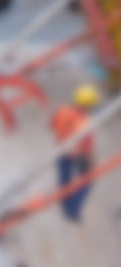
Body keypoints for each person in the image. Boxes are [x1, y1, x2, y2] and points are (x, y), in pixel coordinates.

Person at [50, 83, 99, 222]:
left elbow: (52, 124)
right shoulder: (84, 123)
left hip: (61, 149)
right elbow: (88, 147)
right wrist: (92, 164)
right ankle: (72, 210)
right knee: (87, 181)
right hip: (77, 154)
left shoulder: (63, 110)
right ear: (88, 104)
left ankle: (63, 201)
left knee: (64, 177)